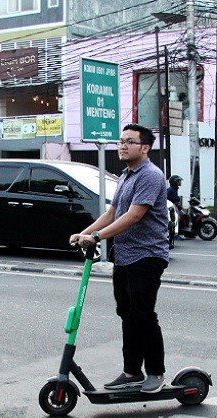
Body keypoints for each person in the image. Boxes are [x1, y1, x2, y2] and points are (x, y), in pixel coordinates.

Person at [69, 124, 169, 394]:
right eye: (121, 141)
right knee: (127, 313)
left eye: (129, 142)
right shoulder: (126, 175)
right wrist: (85, 232)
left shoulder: (150, 175)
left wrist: (97, 237)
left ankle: (156, 373)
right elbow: (113, 212)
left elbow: (134, 216)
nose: (122, 146)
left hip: (147, 256)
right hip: (125, 256)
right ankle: (132, 371)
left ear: (144, 148)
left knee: (143, 314)